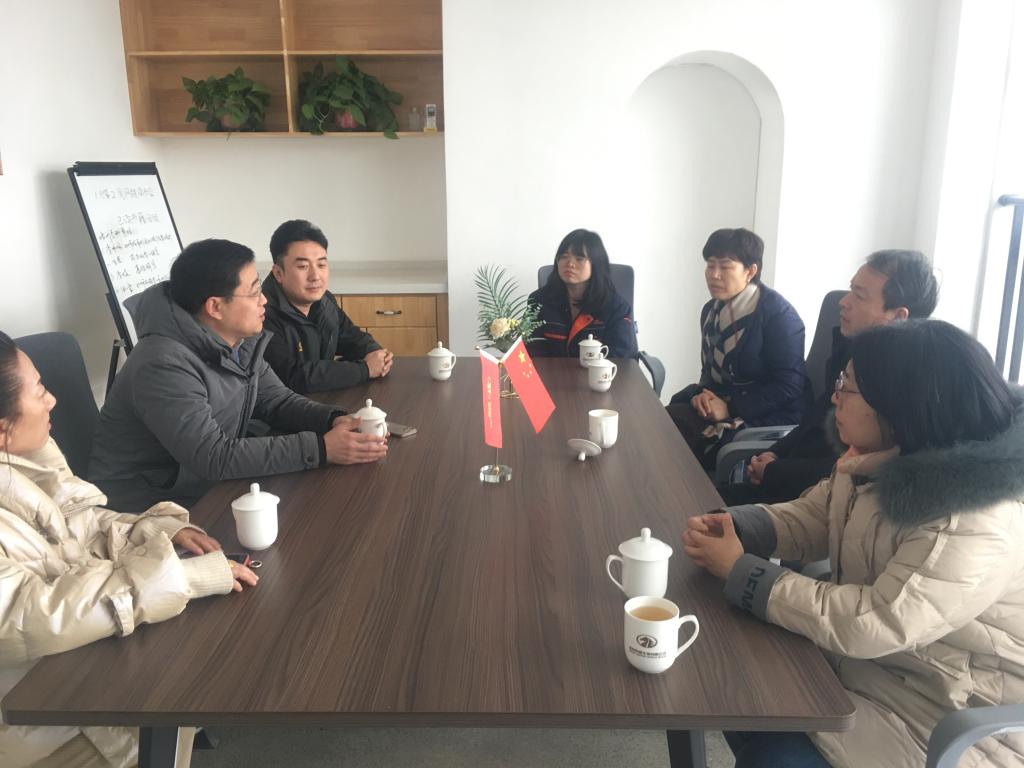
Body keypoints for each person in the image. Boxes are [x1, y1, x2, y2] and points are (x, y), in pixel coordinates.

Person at [683, 320, 1024, 768]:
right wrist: (739, 527)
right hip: (871, 667)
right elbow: (816, 515)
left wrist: (744, 573)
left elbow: (878, 620)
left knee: (770, 751)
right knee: (738, 688)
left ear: (899, 404)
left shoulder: (974, 519)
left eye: (847, 386)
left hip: (946, 712)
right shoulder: (873, 460)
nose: (834, 397)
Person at [0, 331, 258, 768]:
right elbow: (27, 617)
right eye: (39, 389)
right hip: (40, 715)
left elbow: (78, 523)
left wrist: (153, 530)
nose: (52, 400)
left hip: (82, 664)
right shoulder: (165, 359)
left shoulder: (26, 456)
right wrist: (180, 579)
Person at [90, 239, 388, 513]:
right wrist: (321, 449)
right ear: (215, 307)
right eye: (254, 292)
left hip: (202, 484)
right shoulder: (163, 364)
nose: (264, 301)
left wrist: (333, 420)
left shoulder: (238, 340)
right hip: (145, 509)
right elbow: (212, 455)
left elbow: (277, 400)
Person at [719, 249, 939, 505]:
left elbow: (850, 469)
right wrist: (774, 454)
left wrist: (776, 471)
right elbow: (813, 420)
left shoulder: (903, 391)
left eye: (859, 295)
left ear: (898, 317)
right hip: (790, 486)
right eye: (850, 290)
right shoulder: (850, 353)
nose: (843, 302)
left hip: (817, 502)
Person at [666, 228, 809, 470]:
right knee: (666, 421)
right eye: (710, 265)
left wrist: (730, 408)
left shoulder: (779, 316)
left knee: (689, 449)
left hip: (769, 412)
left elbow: (789, 386)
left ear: (750, 271)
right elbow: (709, 371)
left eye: (725, 267)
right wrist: (705, 396)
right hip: (725, 400)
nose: (714, 275)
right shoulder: (711, 310)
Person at [262, 219, 393, 394]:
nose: (315, 276)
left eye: (321, 264)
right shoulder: (262, 313)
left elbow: (354, 339)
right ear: (279, 273)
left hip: (323, 401)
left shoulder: (324, 302)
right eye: (303, 266)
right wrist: (364, 369)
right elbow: (292, 377)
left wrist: (376, 354)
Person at [526, 229, 638, 359]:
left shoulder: (616, 308)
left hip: (597, 371)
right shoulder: (539, 300)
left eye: (579, 258)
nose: (570, 264)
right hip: (550, 371)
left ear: (596, 264)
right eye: (564, 256)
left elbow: (622, 356)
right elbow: (530, 349)